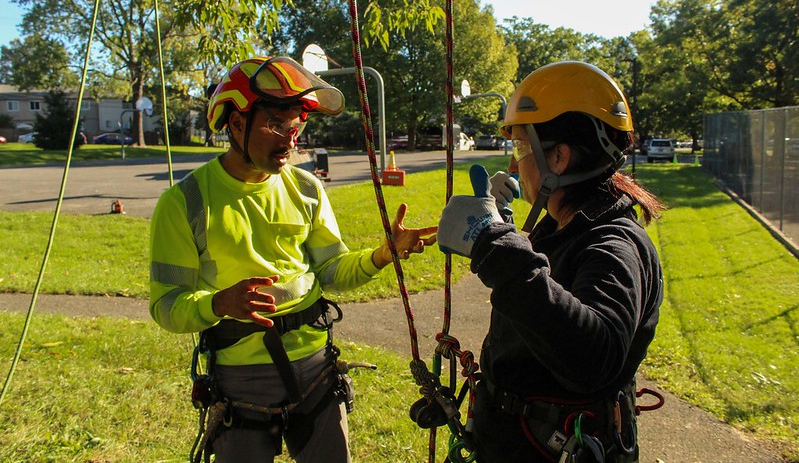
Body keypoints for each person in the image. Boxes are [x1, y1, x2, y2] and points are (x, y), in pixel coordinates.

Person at [149, 55, 437, 462]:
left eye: (296, 126)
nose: (289, 140)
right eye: (275, 125)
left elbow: (332, 271)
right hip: (241, 381)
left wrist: (382, 255)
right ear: (235, 124)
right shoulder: (185, 203)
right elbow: (166, 306)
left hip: (317, 371)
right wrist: (220, 303)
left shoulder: (306, 188)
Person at [437, 61, 665, 462]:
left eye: (522, 147)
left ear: (558, 157)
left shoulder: (614, 244)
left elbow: (593, 358)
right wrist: (505, 227)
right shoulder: (569, 225)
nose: (513, 164)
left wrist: (493, 242)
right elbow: (545, 297)